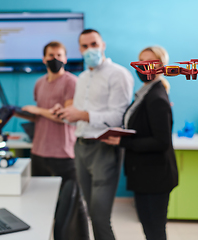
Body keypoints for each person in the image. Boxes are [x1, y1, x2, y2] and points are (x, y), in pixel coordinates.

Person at [54, 29, 134, 240]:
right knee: (90, 213)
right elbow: (79, 113)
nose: (90, 49)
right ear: (79, 49)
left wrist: (84, 114)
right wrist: (66, 114)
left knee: (100, 217)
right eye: (85, 46)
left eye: (94, 44)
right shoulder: (82, 77)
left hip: (104, 148)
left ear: (103, 45)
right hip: (81, 146)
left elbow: (119, 117)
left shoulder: (119, 74)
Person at [102, 46, 178, 240]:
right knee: (150, 228)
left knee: (154, 231)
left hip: (155, 177)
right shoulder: (146, 93)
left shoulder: (156, 98)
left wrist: (123, 142)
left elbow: (160, 142)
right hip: (145, 175)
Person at [16, 41, 90, 239]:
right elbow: (39, 116)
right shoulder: (39, 83)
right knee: (39, 203)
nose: (55, 59)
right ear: (44, 59)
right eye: (51, 55)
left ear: (65, 58)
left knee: (71, 206)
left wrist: (37, 110)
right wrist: (20, 113)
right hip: (39, 151)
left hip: (64, 154)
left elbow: (66, 116)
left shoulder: (71, 82)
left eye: (59, 55)